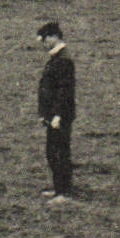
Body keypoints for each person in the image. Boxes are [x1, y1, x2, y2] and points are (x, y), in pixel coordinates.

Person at [36, 21, 77, 203]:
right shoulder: (58, 57)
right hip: (53, 115)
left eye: (45, 39)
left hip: (59, 116)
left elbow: (64, 90)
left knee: (59, 152)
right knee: (54, 151)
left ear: (54, 37)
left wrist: (58, 115)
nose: (43, 44)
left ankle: (63, 193)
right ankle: (60, 189)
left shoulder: (63, 60)